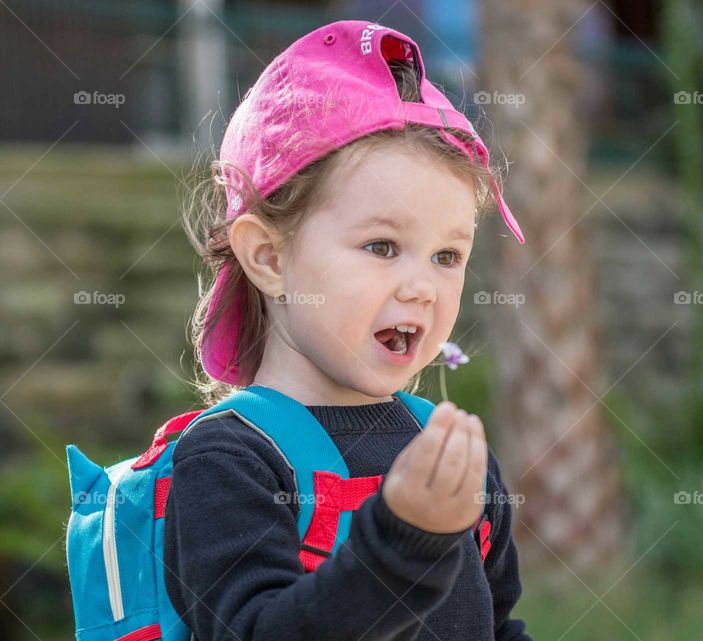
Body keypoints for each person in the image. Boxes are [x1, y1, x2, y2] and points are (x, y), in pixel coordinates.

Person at [164, 19, 532, 641]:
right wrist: (402, 546)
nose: (422, 286)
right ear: (271, 259)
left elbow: (496, 625)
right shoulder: (231, 462)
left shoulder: (439, 453)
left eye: (447, 256)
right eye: (383, 246)